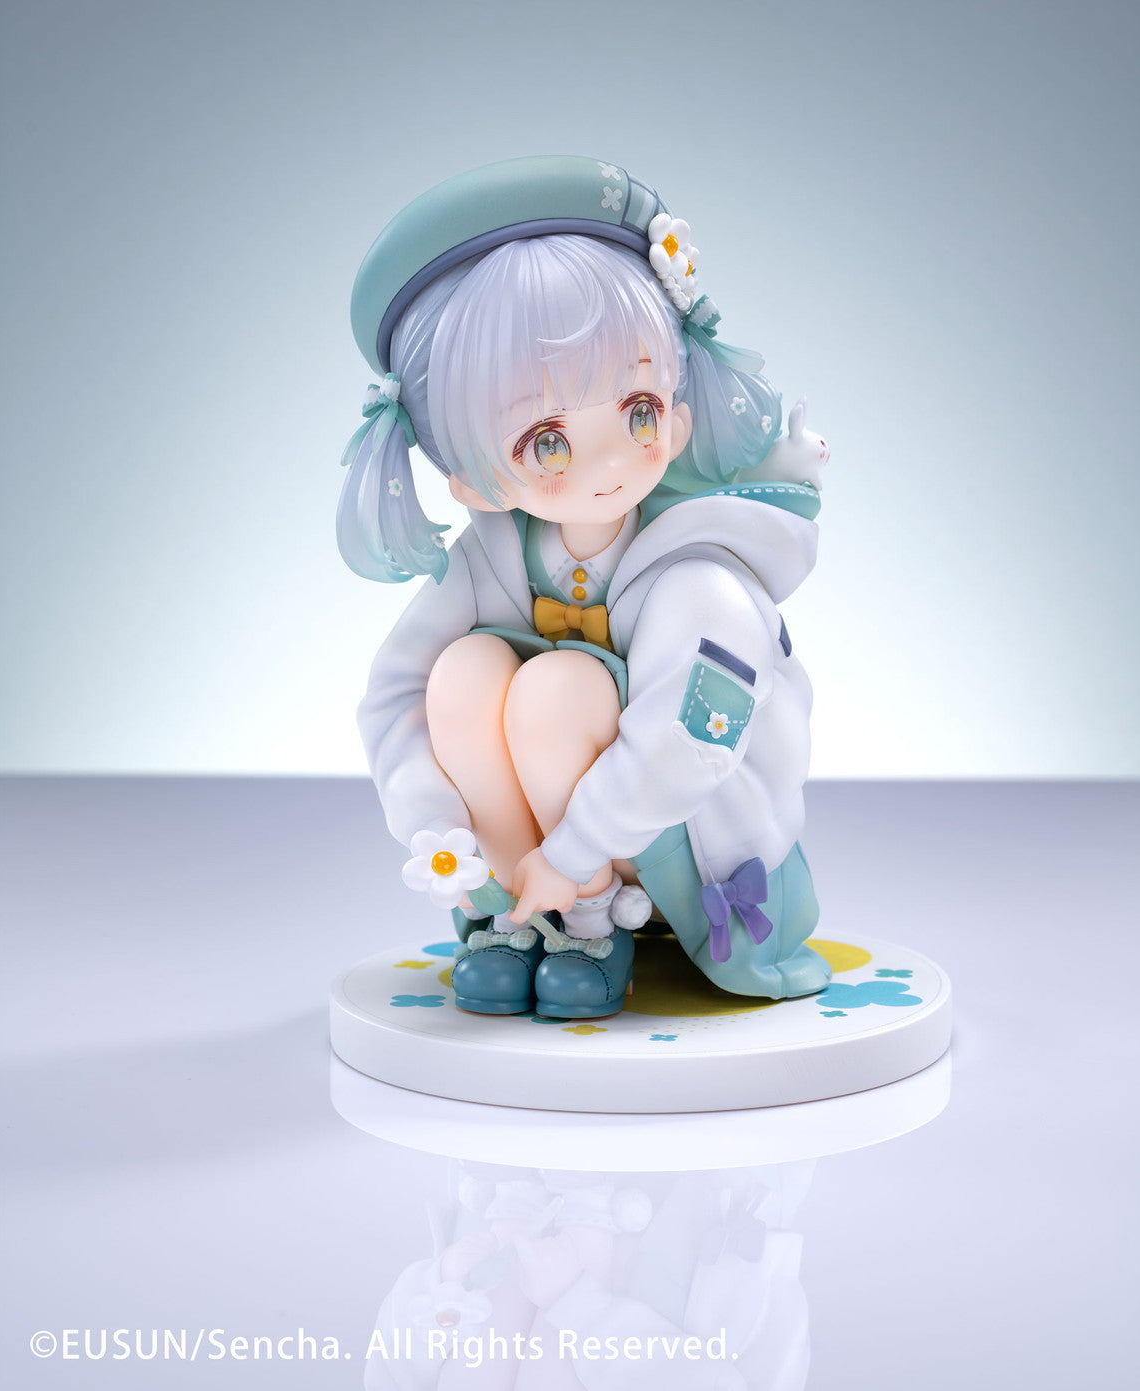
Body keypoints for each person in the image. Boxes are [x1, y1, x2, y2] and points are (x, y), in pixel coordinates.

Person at [339, 156, 832, 1018]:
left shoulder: (699, 574)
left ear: (676, 415)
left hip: (670, 839)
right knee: (460, 673)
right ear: (472, 480)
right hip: (532, 849)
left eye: (638, 411)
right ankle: (515, 919)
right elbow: (395, 693)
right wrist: (440, 830)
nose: (609, 462)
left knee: (558, 689)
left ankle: (589, 917)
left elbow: (690, 742)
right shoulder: (492, 552)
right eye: (548, 440)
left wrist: (576, 854)